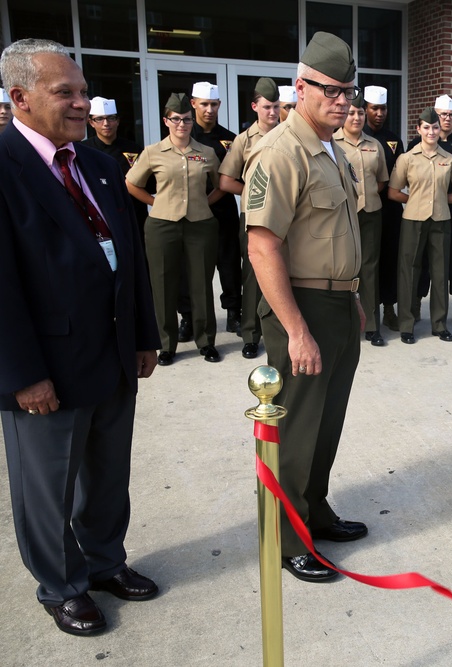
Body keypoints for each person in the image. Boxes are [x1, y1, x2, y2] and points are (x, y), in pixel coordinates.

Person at [0, 38, 160, 637]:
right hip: (47, 367)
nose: (81, 103)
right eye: (64, 92)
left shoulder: (97, 162)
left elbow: (132, 258)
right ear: (19, 98)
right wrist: (21, 375)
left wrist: (144, 335)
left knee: (107, 473)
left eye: (82, 91)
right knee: (48, 487)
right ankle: (61, 585)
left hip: (113, 354)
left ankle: (104, 561)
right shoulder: (6, 167)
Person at [245, 32, 368, 583]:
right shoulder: (281, 151)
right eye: (331, 90)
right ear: (300, 87)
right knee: (295, 430)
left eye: (349, 91)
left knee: (327, 424)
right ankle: (287, 537)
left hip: (339, 305)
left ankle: (313, 511)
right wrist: (295, 329)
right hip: (302, 309)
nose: (342, 101)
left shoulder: (332, 150)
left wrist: (355, 300)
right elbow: (262, 245)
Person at [126, 93, 223, 365]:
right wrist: (153, 201)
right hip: (162, 225)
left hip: (200, 225)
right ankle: (166, 345)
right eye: (176, 119)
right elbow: (132, 183)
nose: (182, 124)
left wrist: (205, 201)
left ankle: (206, 342)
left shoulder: (206, 153)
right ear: (166, 120)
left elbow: (221, 184)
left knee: (201, 284)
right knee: (163, 283)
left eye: (187, 120)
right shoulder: (153, 152)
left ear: (193, 121)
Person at [219, 77, 282, 360]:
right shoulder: (243, 141)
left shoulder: (289, 135)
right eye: (267, 107)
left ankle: (282, 332)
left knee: (287, 274)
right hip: (255, 217)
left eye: (277, 106)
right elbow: (225, 181)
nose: (272, 112)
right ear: (255, 106)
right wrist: (256, 193)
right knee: (254, 277)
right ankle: (251, 335)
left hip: (285, 217)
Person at [389, 107, 452, 344]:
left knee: (440, 273)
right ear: (418, 129)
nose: (431, 131)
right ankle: (406, 325)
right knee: (409, 271)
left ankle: (439, 324)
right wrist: (416, 199)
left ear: (440, 130)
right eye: (426, 127)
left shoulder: (449, 160)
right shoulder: (407, 158)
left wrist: (440, 199)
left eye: (435, 127)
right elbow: (393, 192)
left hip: (441, 220)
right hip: (413, 221)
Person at [183, 81, 242, 337]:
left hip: (223, 211)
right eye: (204, 104)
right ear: (193, 104)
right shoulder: (183, 135)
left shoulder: (230, 138)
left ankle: (233, 315)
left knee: (229, 265)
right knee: (192, 270)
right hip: (191, 213)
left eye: (214, 104)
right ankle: (189, 318)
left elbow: (234, 177)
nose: (209, 109)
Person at [408, 94, 452, 308]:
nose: (447, 118)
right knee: (424, 260)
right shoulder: (415, 144)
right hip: (424, 212)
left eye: (451, 115)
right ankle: (417, 301)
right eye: (443, 115)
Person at [335, 94, 389, 346]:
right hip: (342, 213)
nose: (356, 118)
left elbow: (380, 181)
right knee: (342, 268)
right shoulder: (331, 142)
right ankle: (342, 323)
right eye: (351, 113)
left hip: (370, 214)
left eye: (359, 113)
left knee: (369, 268)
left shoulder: (374, 144)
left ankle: (371, 326)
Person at [364, 85, 405, 331]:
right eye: (374, 108)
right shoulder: (355, 135)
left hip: (390, 211)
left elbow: (400, 175)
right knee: (369, 263)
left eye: (383, 108)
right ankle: (368, 312)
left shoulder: (393, 139)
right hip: (367, 209)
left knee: (390, 260)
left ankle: (389, 309)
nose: (379, 113)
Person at [82, 96, 150, 238]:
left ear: (118, 121)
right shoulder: (82, 150)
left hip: (133, 214)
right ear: (91, 122)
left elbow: (147, 183)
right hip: (100, 213)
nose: (106, 123)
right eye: (99, 119)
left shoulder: (134, 148)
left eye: (111, 118)